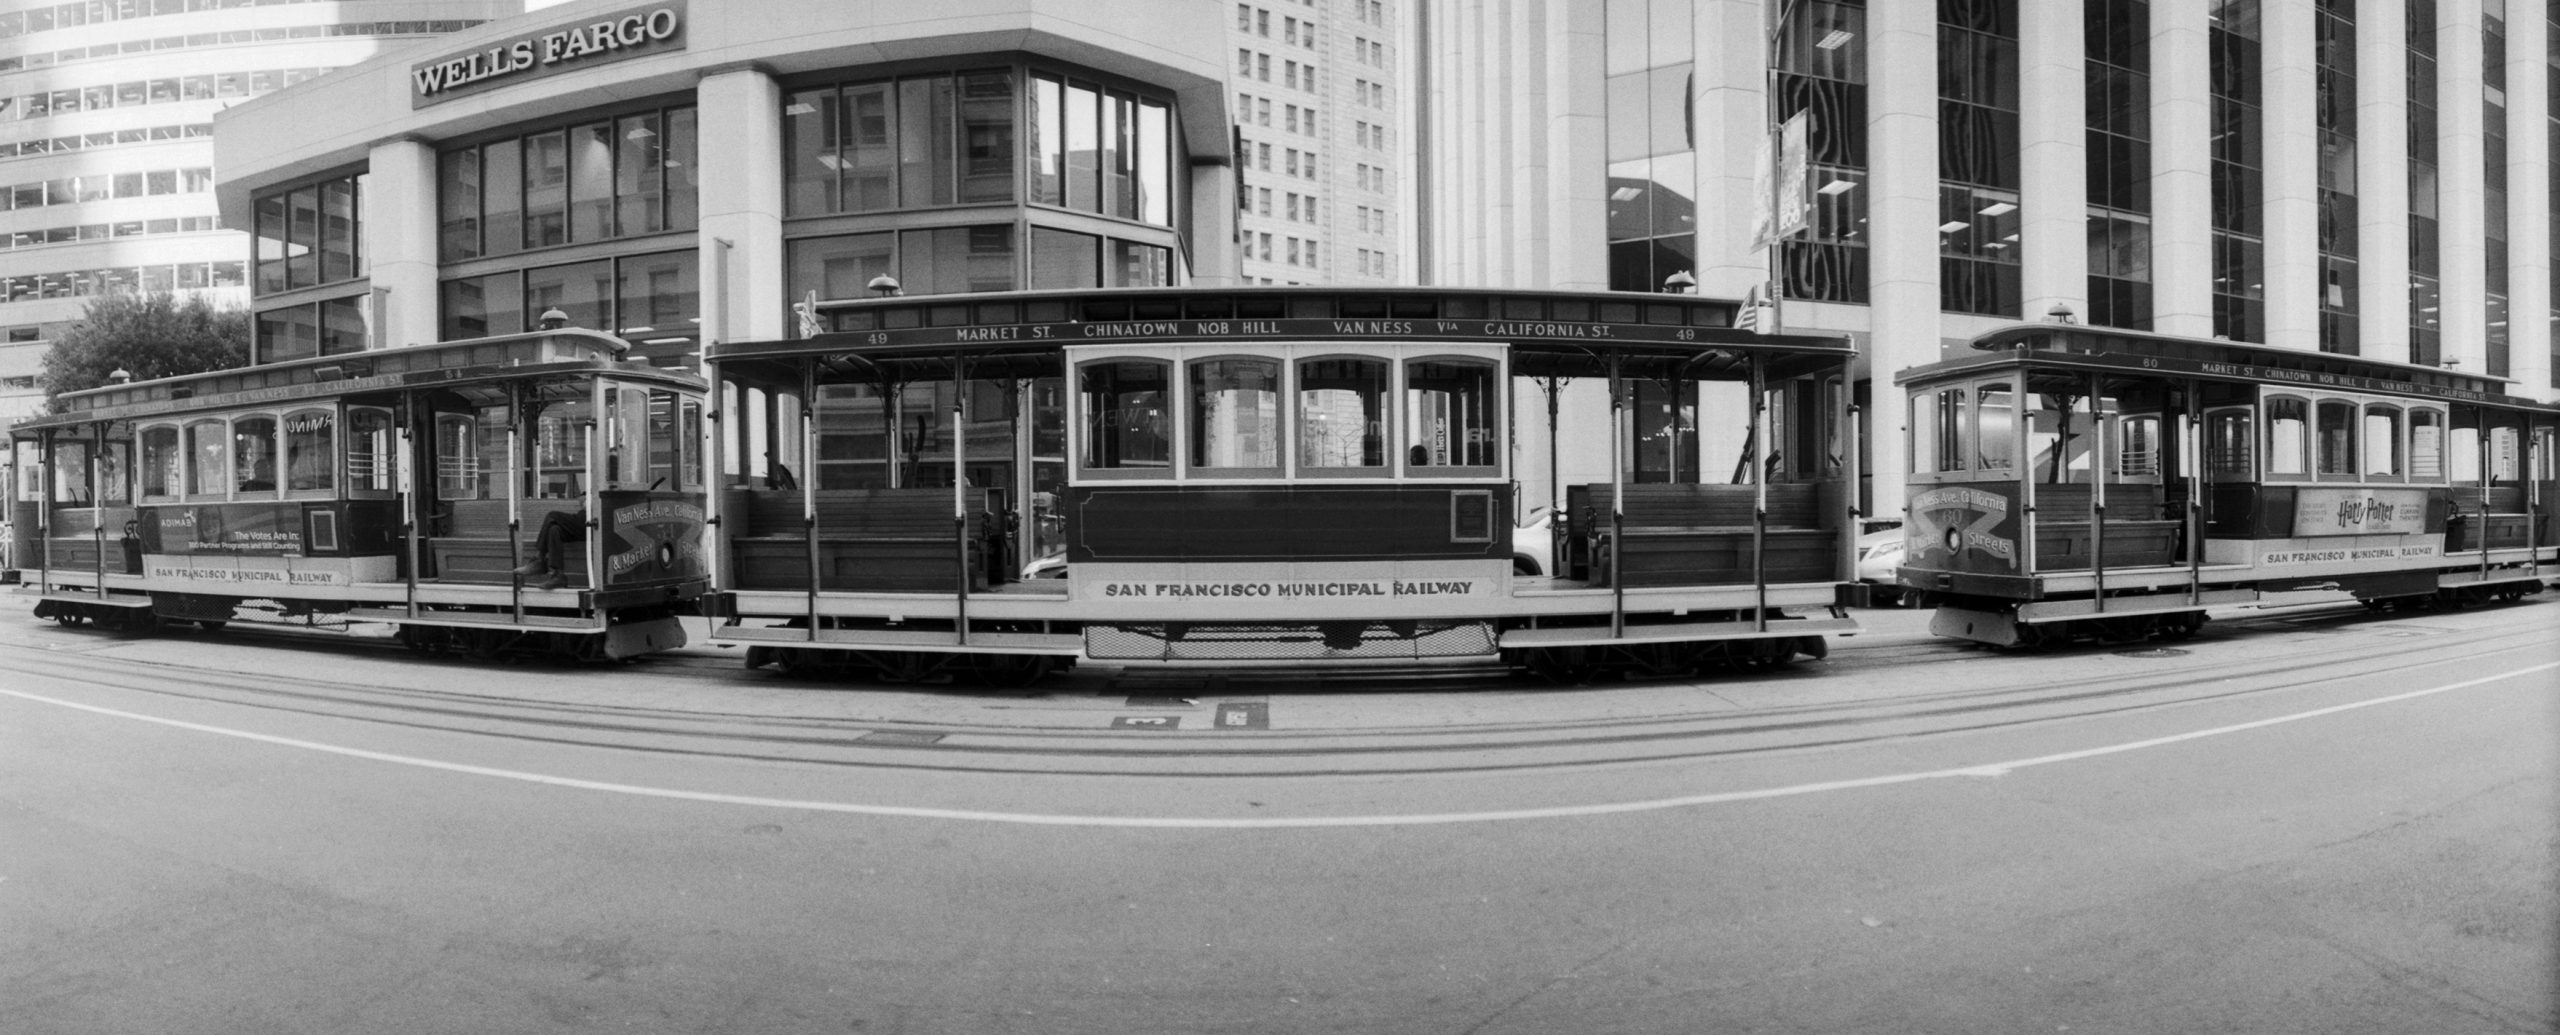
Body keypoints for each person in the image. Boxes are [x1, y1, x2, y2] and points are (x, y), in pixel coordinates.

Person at [510, 507, 586, 590]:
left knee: (552, 515)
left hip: (591, 519)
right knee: (554, 530)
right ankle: (558, 576)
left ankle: (540, 560)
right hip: (583, 519)